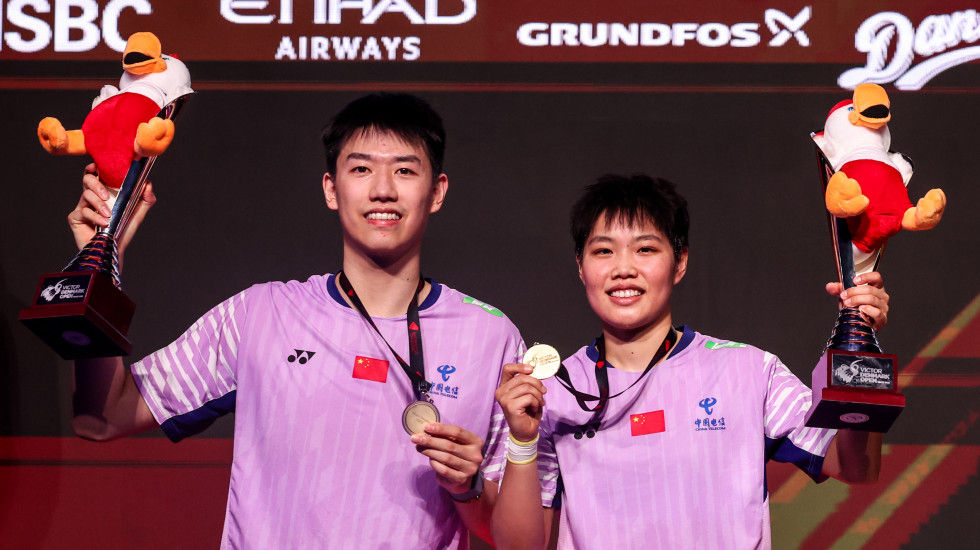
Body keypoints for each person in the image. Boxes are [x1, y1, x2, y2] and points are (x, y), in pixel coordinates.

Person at [67, 93, 523, 548]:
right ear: (331, 189)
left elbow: (521, 539)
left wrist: (470, 488)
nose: (383, 189)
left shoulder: (489, 337)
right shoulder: (260, 316)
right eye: (361, 169)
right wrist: (99, 265)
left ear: (437, 191)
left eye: (404, 170)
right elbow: (102, 418)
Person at [488, 174, 890, 549]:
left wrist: (859, 350)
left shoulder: (749, 372)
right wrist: (522, 440)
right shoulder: (552, 393)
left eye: (645, 249)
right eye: (603, 251)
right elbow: (518, 546)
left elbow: (857, 466)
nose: (623, 269)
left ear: (679, 262)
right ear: (581, 266)